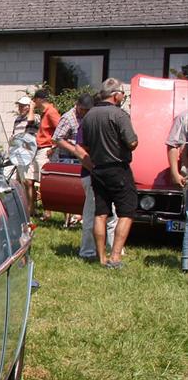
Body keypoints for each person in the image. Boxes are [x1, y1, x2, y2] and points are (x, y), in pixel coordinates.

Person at [80, 78, 138, 269]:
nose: (123, 97)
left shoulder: (89, 115)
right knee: (127, 211)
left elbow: (85, 145)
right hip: (118, 168)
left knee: (101, 213)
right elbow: (132, 142)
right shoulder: (119, 114)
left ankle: (101, 258)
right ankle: (115, 257)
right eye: (123, 94)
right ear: (115, 95)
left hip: (97, 169)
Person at [53, 93, 114, 257]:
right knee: (91, 209)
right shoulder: (69, 118)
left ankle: (108, 247)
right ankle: (89, 249)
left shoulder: (90, 118)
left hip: (88, 161)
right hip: (74, 159)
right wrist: (75, 150)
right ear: (77, 105)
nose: (85, 112)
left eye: (87, 110)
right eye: (83, 109)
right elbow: (57, 138)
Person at [31, 90, 61, 218]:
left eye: (35, 100)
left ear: (39, 99)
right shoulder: (44, 113)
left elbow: (61, 129)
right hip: (40, 149)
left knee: (44, 182)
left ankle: (48, 211)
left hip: (46, 149)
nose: (34, 103)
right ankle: (45, 210)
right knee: (39, 182)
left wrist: (54, 147)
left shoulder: (51, 112)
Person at [167, 109, 188, 272]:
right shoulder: (184, 116)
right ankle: (186, 264)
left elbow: (173, 144)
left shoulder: (185, 116)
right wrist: (174, 172)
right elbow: (173, 144)